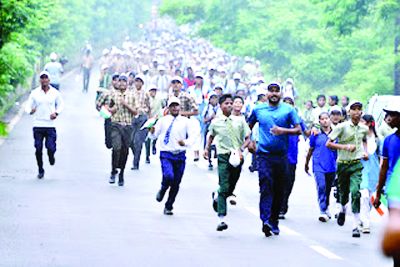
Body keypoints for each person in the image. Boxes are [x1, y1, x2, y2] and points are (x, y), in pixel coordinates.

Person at [248, 82, 301, 237]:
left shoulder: (288, 110)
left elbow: (298, 129)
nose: (274, 94)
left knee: (279, 189)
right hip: (264, 155)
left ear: (281, 93)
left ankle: (274, 221)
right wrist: (250, 141)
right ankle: (265, 220)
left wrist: (282, 130)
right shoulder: (259, 109)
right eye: (271, 91)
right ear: (266, 94)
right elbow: (248, 126)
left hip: (281, 156)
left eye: (276, 91)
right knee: (266, 185)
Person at [204, 94, 251, 231]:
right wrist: (207, 149)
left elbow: (247, 137)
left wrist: (242, 149)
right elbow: (211, 136)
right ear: (221, 106)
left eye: (231, 103)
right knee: (224, 185)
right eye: (226, 104)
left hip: (237, 156)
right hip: (223, 155)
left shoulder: (240, 121)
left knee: (231, 185)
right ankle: (221, 218)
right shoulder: (216, 122)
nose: (230, 105)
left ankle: (217, 194)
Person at [326, 100, 369, 238]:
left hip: (356, 164)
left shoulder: (364, 128)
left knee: (356, 192)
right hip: (343, 163)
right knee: (343, 193)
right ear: (348, 112)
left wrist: (365, 152)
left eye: (359, 109)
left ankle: (356, 225)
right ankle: (343, 209)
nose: (356, 112)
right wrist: (345, 147)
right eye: (353, 109)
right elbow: (329, 143)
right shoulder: (342, 127)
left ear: (362, 112)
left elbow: (364, 140)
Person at [149, 96, 195, 215]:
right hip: (166, 153)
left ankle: (169, 205)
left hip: (179, 155)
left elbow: (192, 138)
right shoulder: (163, 120)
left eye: (176, 105)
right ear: (168, 108)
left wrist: (185, 143)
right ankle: (163, 188)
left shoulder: (186, 122)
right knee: (169, 176)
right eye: (172, 106)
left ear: (180, 107)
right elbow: (153, 136)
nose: (175, 108)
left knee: (176, 182)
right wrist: (152, 131)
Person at [25, 71, 64, 179]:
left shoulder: (55, 93)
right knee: (38, 148)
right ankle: (40, 169)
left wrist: (56, 113)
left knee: (50, 147)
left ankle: (51, 156)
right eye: (42, 78)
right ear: (40, 80)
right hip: (38, 124)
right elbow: (27, 106)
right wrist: (30, 111)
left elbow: (61, 104)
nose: (44, 80)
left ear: (49, 80)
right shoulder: (35, 93)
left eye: (46, 78)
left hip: (50, 125)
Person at [305, 112, 337, 222]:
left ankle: (326, 206)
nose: (325, 121)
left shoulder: (336, 133)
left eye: (326, 118)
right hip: (318, 164)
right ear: (319, 121)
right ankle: (322, 210)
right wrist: (306, 163)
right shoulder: (315, 134)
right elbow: (311, 148)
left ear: (330, 119)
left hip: (332, 165)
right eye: (322, 119)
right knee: (321, 186)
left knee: (328, 188)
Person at [107, 74, 137, 186]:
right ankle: (113, 170)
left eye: (124, 81)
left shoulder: (132, 95)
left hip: (128, 126)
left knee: (125, 150)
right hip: (116, 124)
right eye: (120, 81)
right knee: (116, 147)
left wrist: (126, 105)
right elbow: (106, 108)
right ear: (117, 82)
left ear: (128, 83)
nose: (122, 83)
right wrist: (110, 110)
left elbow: (136, 112)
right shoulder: (112, 94)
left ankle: (121, 173)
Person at [359, 114, 380, 234]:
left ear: (369, 123)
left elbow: (382, 158)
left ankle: (364, 216)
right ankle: (366, 222)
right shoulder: (358, 138)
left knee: (371, 197)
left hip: (374, 170)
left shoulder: (378, 139)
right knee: (364, 195)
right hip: (362, 169)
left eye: (363, 121)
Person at [130, 75, 151, 170]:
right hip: (132, 117)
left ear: (142, 83)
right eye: (136, 81)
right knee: (130, 141)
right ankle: (136, 155)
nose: (138, 83)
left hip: (142, 117)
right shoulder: (130, 93)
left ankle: (136, 163)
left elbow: (149, 106)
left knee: (138, 141)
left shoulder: (146, 94)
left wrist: (150, 120)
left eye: (140, 81)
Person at [96, 73, 120, 149]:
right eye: (115, 80)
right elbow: (98, 105)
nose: (117, 82)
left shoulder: (124, 94)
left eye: (118, 80)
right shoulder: (107, 93)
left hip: (120, 120)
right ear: (112, 82)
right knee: (109, 143)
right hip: (109, 119)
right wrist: (104, 111)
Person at [144, 84, 164, 164]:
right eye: (151, 91)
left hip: (157, 119)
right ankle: (147, 156)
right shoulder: (146, 99)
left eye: (154, 91)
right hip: (149, 119)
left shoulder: (159, 99)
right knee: (147, 138)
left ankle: (154, 145)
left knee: (156, 134)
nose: (153, 92)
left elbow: (163, 106)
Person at [202, 92, 219, 170]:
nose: (214, 100)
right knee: (208, 143)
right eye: (212, 98)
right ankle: (209, 160)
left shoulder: (220, 107)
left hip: (218, 127)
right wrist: (210, 118)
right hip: (209, 126)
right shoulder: (207, 108)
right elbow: (204, 120)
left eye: (215, 98)